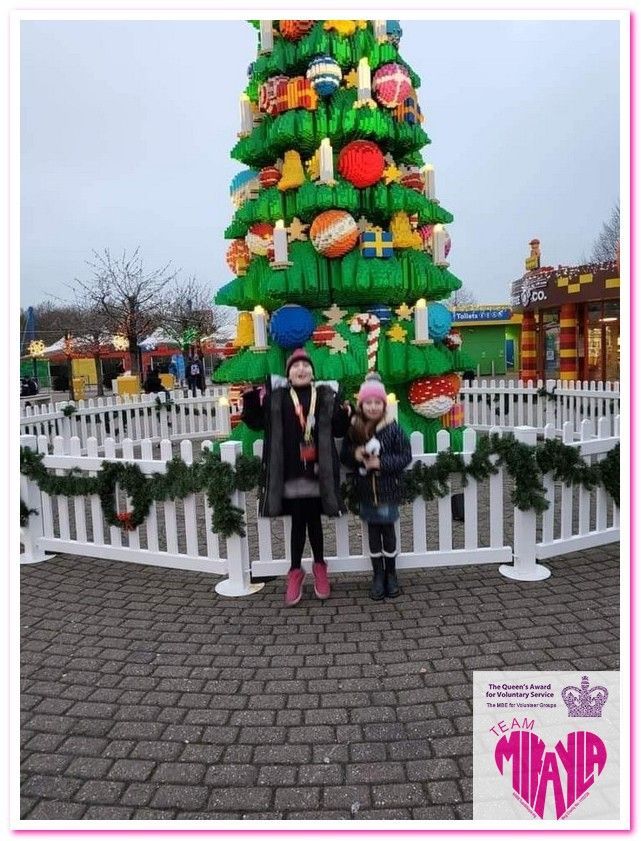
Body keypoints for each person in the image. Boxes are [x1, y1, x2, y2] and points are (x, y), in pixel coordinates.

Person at [241, 348, 352, 607]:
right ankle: (295, 571)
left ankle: (319, 567)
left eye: (306, 366)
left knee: (314, 521)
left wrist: (345, 413)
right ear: (288, 374)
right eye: (295, 366)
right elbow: (256, 423)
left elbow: (338, 430)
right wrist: (250, 398)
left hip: (318, 472)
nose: (301, 369)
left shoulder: (325, 395)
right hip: (291, 471)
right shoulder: (277, 397)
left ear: (313, 371)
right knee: (298, 521)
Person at [340, 372, 412, 600]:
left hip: (388, 490)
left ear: (384, 405)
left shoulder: (392, 428)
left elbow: (405, 456)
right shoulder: (356, 428)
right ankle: (377, 575)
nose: (372, 407)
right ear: (361, 405)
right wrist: (356, 455)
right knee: (373, 534)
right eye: (368, 402)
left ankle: (391, 574)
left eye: (377, 402)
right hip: (366, 492)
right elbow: (345, 455)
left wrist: (382, 463)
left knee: (388, 533)